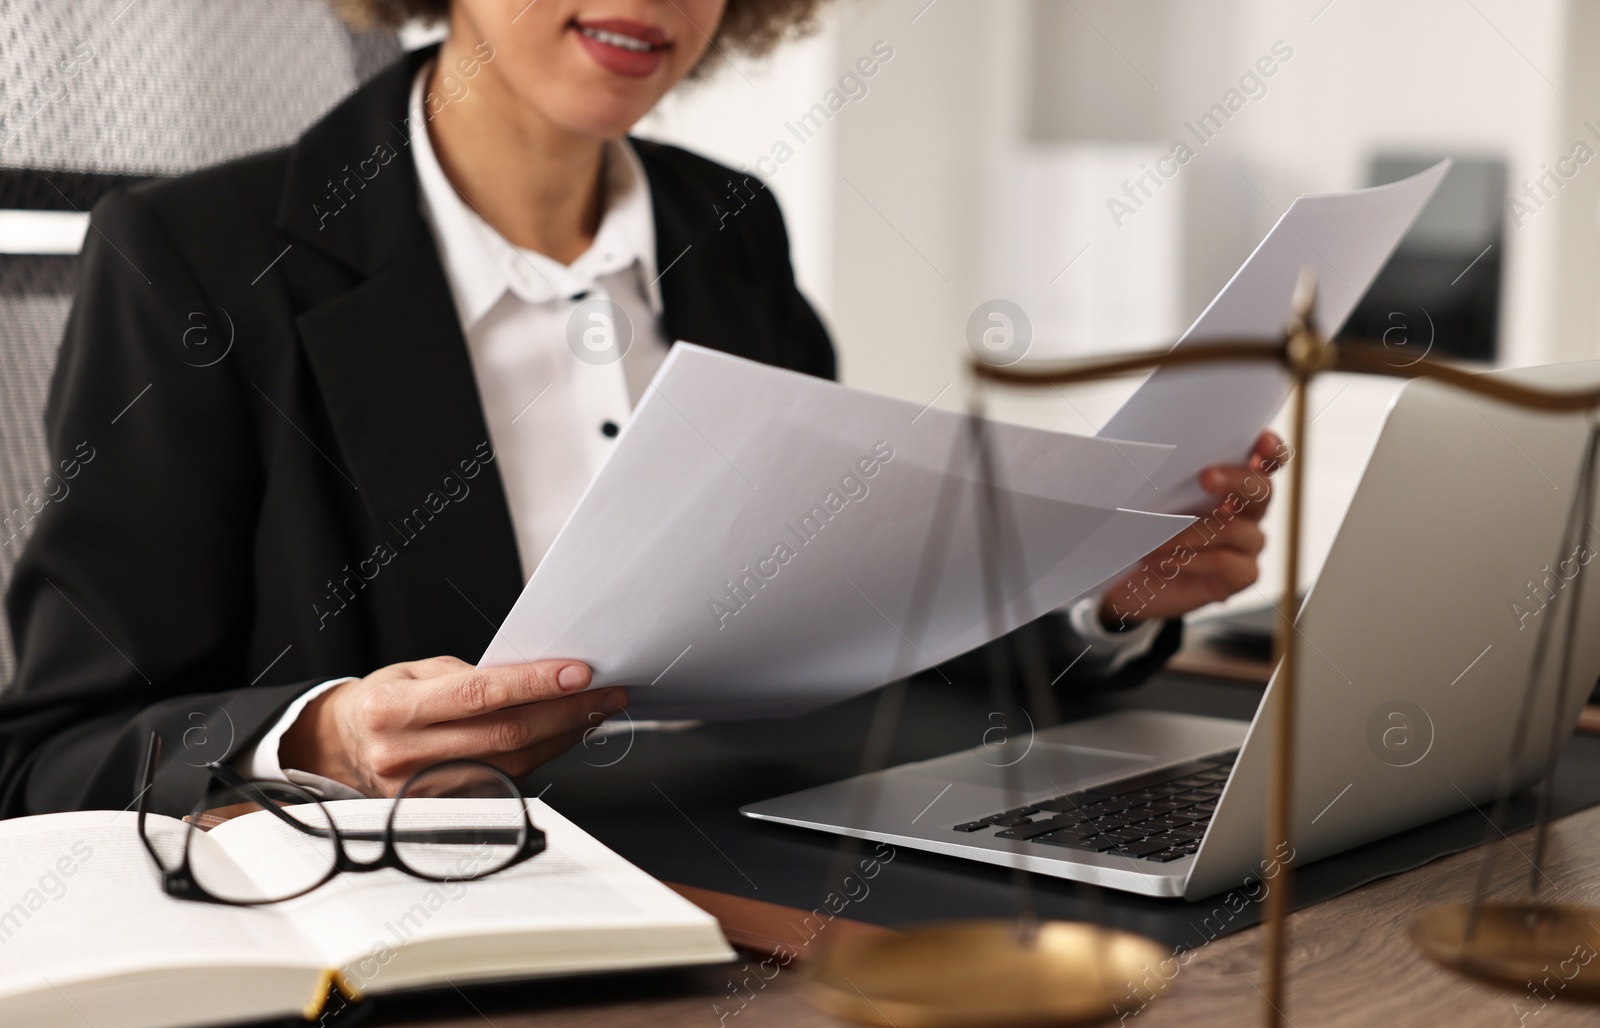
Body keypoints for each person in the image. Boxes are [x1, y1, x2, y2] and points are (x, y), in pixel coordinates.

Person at [0, 0, 1277, 817]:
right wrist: (321, 738)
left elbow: (857, 618)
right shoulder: (195, 254)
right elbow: (53, 751)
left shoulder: (728, 225)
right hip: (446, 920)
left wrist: (1100, 587)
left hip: (778, 865)